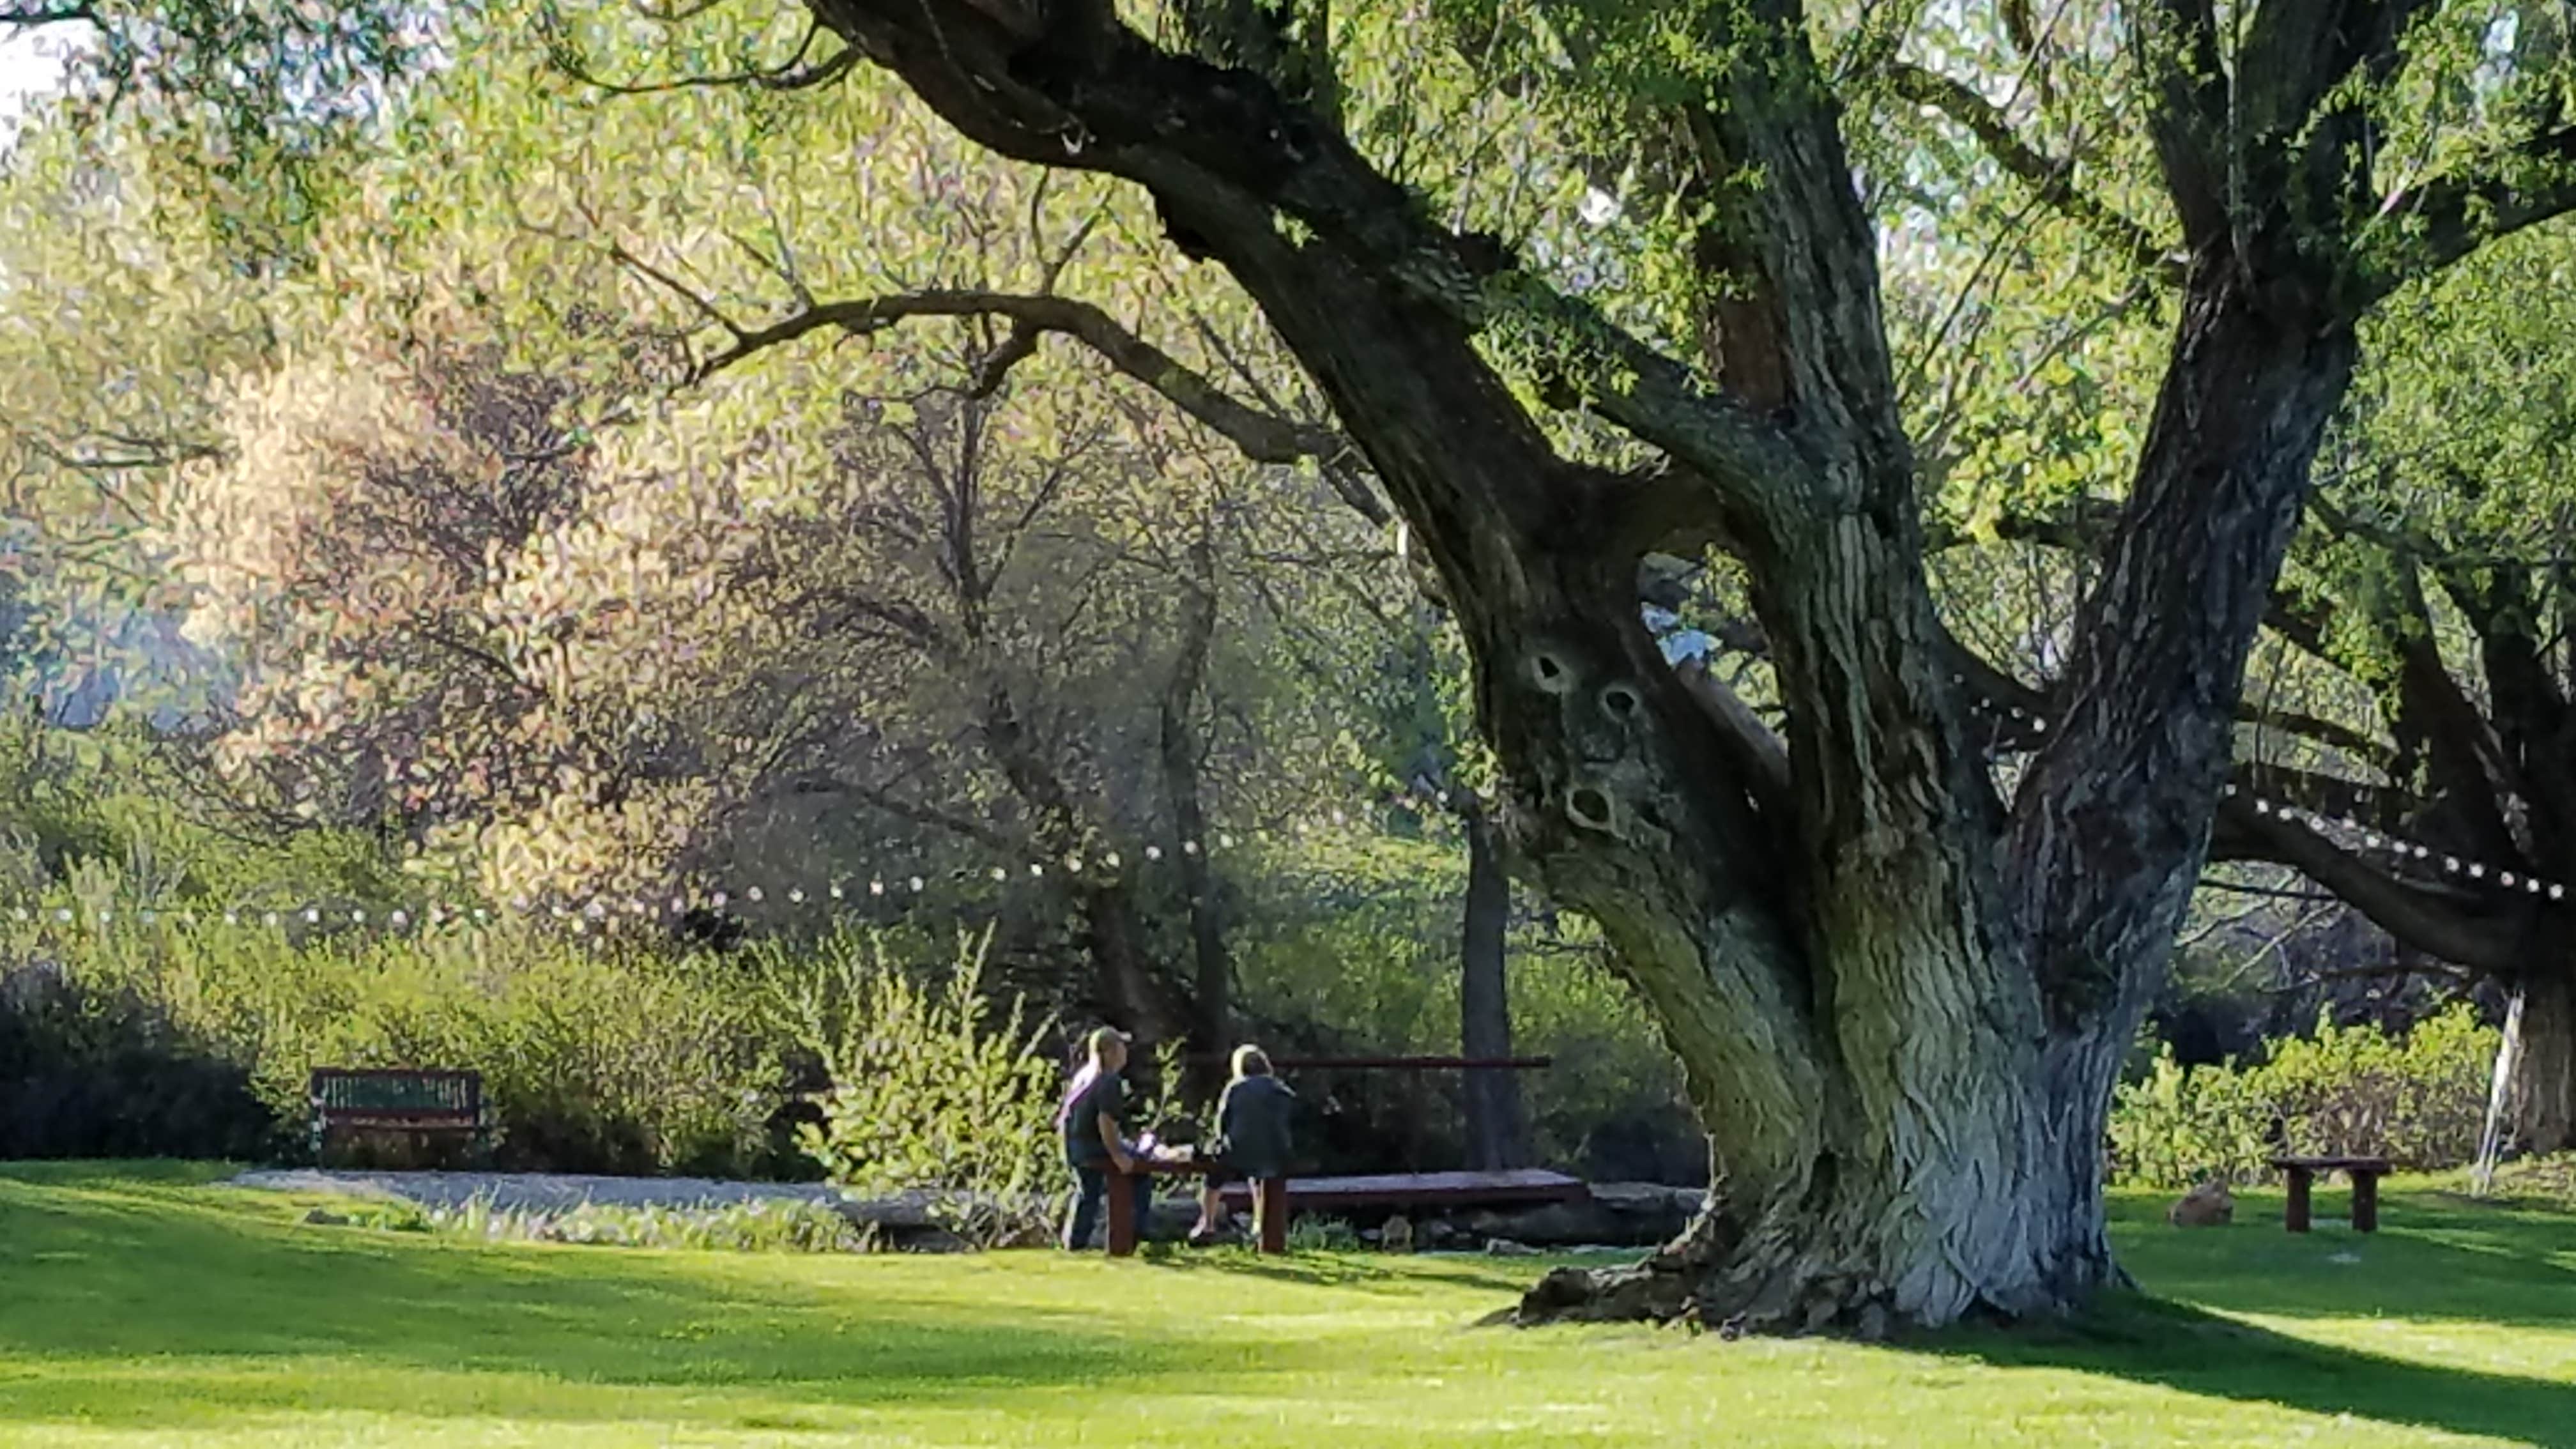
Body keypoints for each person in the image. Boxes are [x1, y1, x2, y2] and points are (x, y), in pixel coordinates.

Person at [1190, 1044, 1296, 1246]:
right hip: (1275, 1153)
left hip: (1237, 1150)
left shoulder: (1235, 1088)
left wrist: (1221, 1140)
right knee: (1260, 1177)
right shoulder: (1281, 1090)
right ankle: (1259, 1224)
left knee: (1214, 1176)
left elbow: (1221, 1123)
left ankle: (1208, 1222)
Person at [1058, 1025, 1153, 1251]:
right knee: (1141, 1171)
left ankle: (1075, 1242)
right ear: (1109, 1051)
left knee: (1087, 1194)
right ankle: (1134, 1234)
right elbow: (1106, 1122)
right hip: (1092, 1147)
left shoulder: (1084, 1075)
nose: (1125, 1052)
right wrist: (1118, 1155)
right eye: (1122, 1046)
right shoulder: (1109, 1080)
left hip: (1073, 1145)